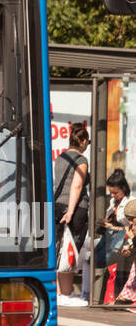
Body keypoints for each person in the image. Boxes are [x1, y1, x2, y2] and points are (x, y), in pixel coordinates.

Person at [54, 122, 90, 306]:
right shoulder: (81, 160)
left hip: (57, 205)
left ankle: (60, 293)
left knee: (59, 249)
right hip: (74, 209)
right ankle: (66, 294)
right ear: (83, 141)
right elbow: (76, 185)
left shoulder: (61, 158)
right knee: (71, 250)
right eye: (88, 142)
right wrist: (70, 211)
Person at [82, 169, 129, 302]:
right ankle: (86, 293)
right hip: (109, 237)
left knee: (98, 258)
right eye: (111, 192)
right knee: (86, 256)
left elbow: (131, 228)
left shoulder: (130, 202)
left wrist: (112, 226)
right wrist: (103, 222)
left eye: (115, 192)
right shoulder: (113, 202)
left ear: (123, 189)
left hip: (121, 239)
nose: (112, 195)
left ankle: (94, 294)